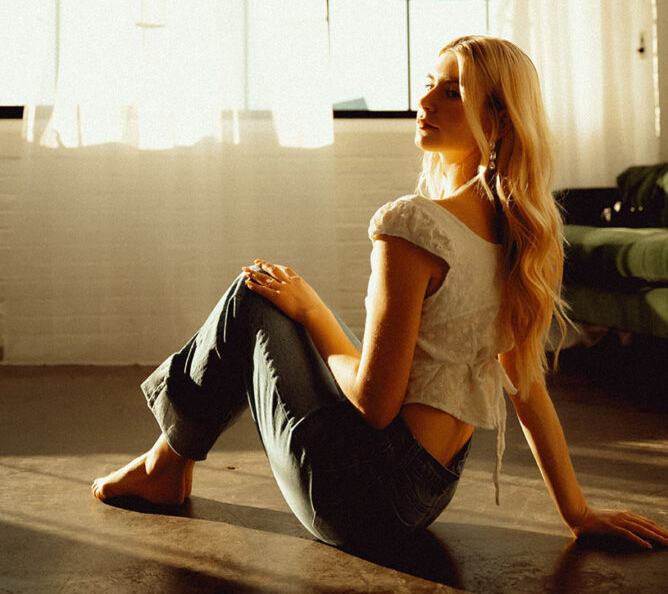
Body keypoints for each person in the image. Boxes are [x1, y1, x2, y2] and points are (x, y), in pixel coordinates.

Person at [92, 35, 668, 551]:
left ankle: (164, 463)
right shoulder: (522, 235)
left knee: (254, 297)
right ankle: (165, 462)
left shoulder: (414, 224)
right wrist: (578, 513)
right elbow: (530, 394)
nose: (425, 103)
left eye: (451, 91)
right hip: (425, 499)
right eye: (427, 88)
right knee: (280, 298)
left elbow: (374, 404)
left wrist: (311, 310)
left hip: (359, 499)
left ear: (497, 117)